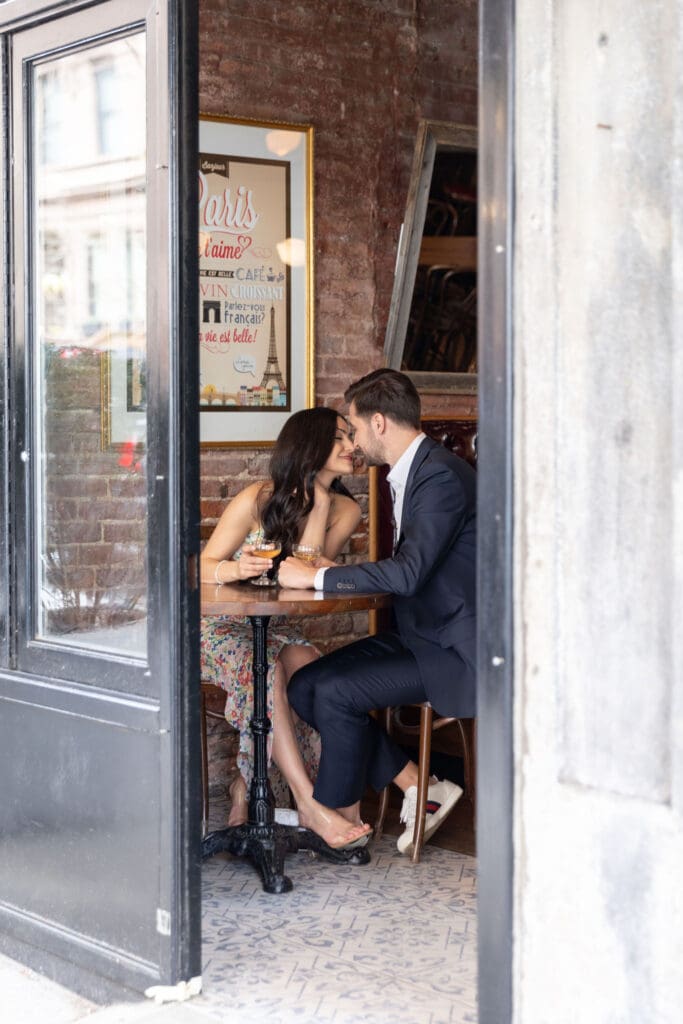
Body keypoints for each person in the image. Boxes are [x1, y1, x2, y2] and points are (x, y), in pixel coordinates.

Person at [278, 369, 476, 855]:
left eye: (354, 424)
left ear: (380, 422)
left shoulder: (441, 477)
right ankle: (418, 788)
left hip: (456, 649)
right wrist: (329, 570)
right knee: (304, 685)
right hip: (421, 635)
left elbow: (407, 575)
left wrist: (318, 577)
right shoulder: (416, 470)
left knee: (338, 692)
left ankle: (336, 822)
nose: (351, 435)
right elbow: (412, 570)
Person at [200, 406, 372, 849]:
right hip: (216, 630)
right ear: (309, 445)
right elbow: (201, 566)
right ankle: (308, 804)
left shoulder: (344, 511)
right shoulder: (257, 497)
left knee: (313, 668)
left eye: (351, 436)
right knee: (267, 671)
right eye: (339, 437)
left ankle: (258, 788)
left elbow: (309, 572)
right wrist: (234, 570)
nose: (352, 446)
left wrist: (318, 497)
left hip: (266, 629)